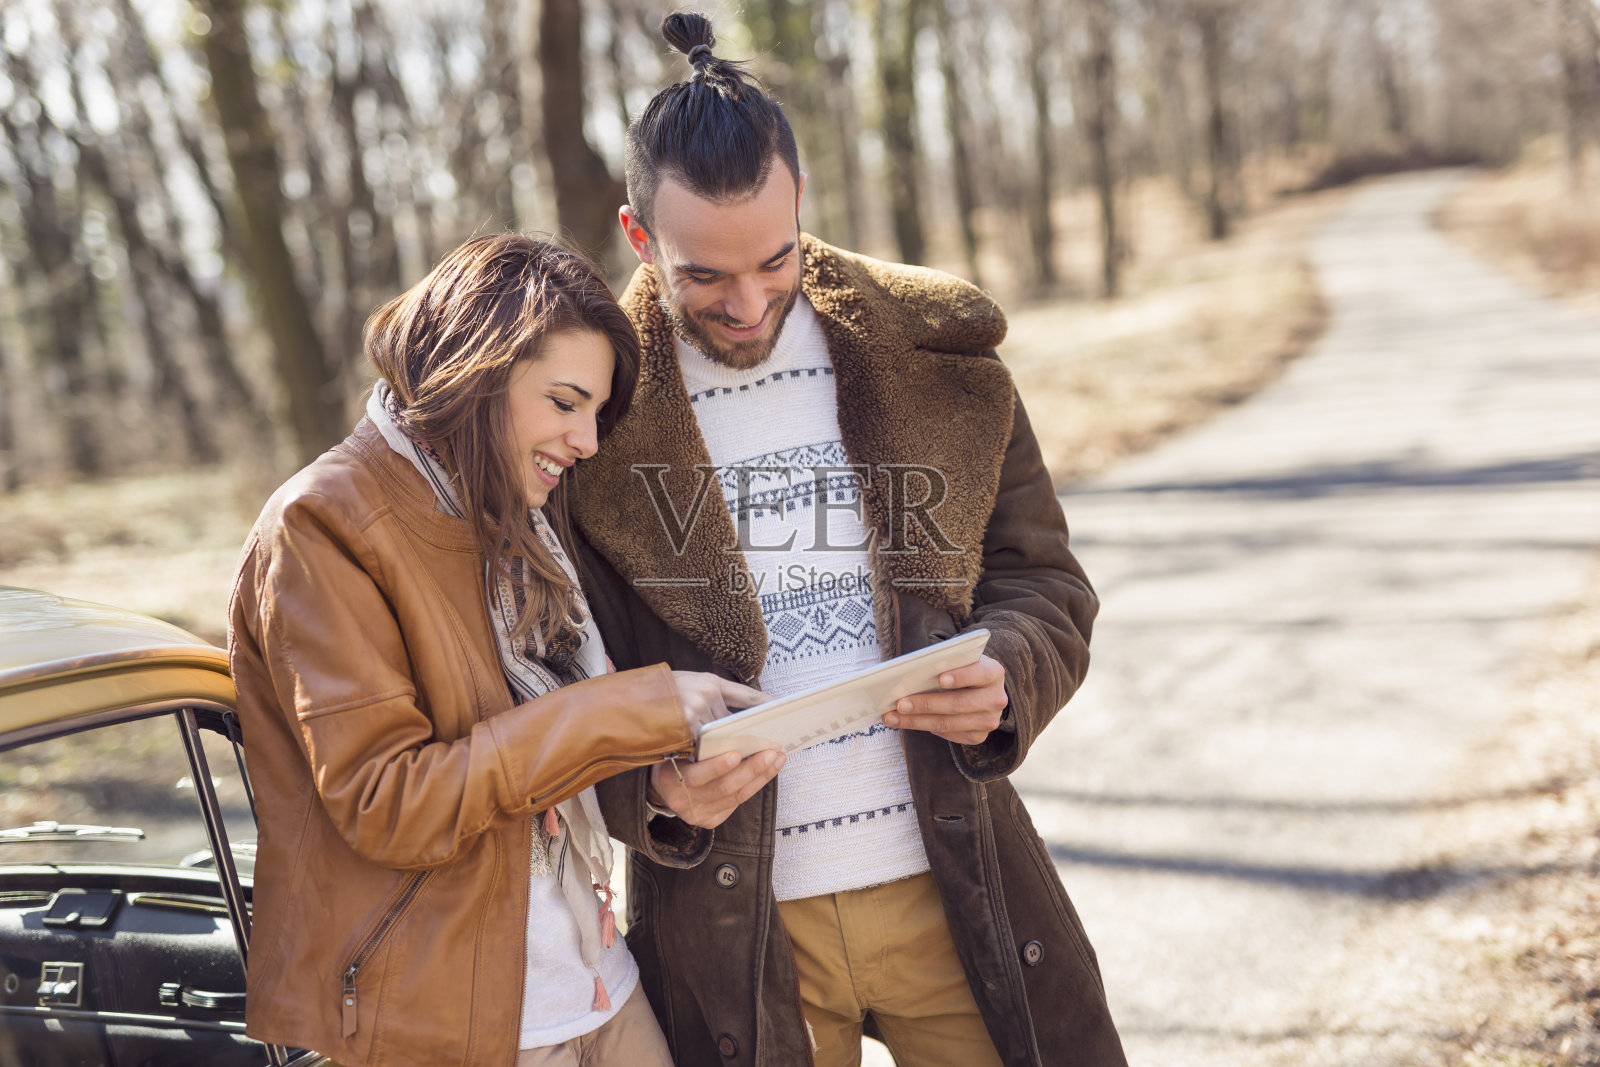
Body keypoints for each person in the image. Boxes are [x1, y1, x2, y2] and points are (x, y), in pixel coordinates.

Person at [566, 13, 1128, 1067]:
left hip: (956, 887)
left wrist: (1008, 674)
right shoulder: (583, 414)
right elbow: (551, 677)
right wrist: (648, 793)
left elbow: (1045, 582)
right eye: (704, 275)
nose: (746, 302)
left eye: (773, 259)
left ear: (801, 201)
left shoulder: (937, 351)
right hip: (735, 933)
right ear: (639, 236)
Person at [228, 233, 771, 1067]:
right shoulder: (324, 524)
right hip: (459, 1019)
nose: (587, 441)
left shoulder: (516, 511)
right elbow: (390, 801)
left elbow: (541, 760)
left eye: (595, 413)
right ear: (476, 374)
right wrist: (626, 708)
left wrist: (661, 788)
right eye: (564, 402)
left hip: (595, 974)